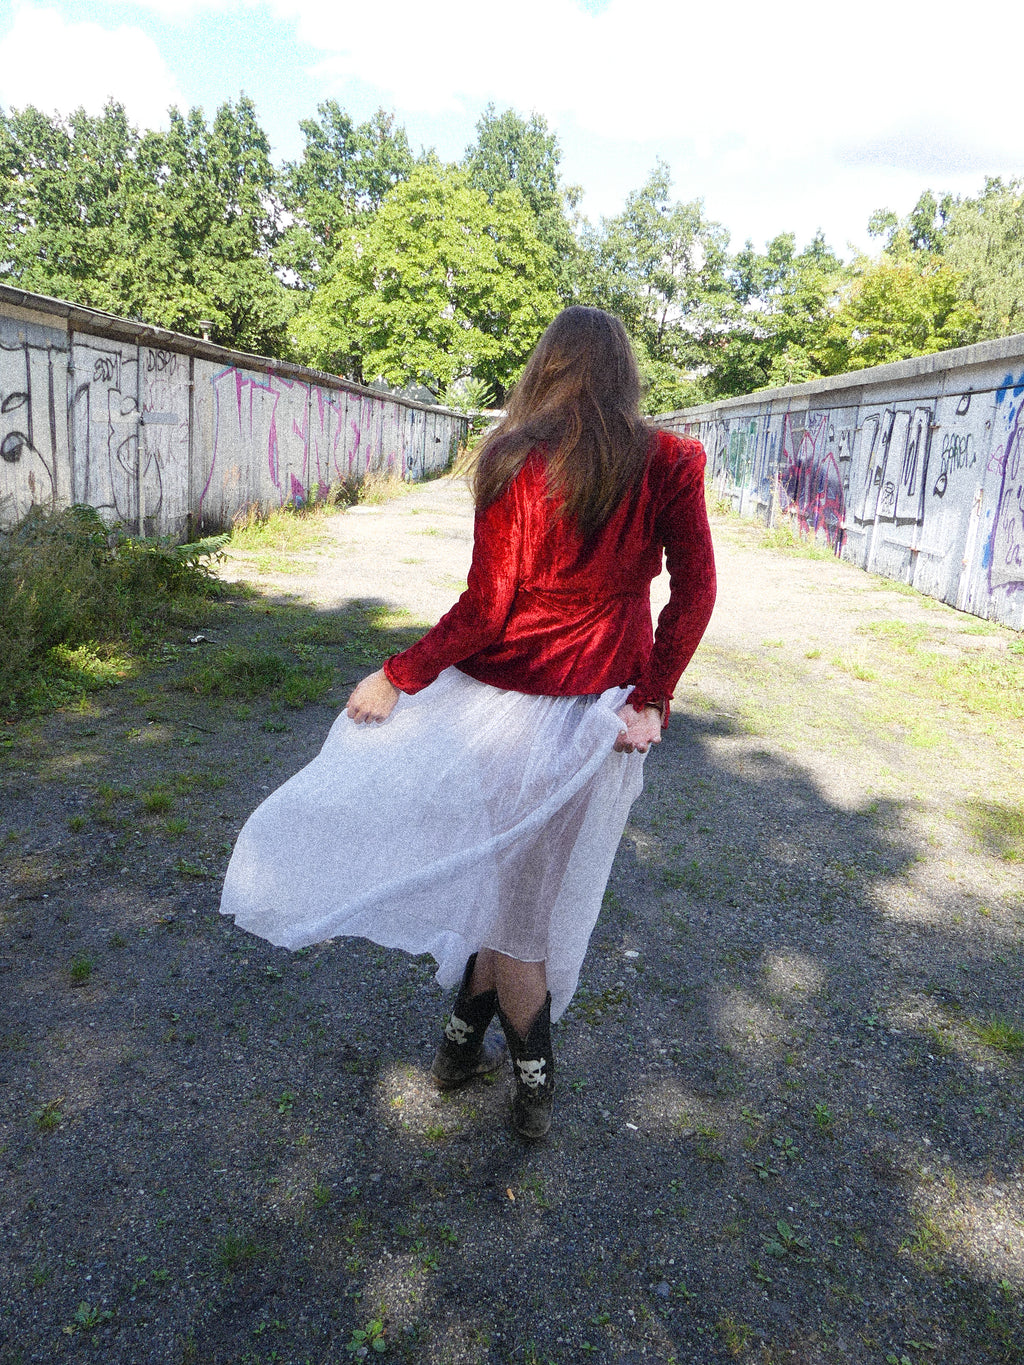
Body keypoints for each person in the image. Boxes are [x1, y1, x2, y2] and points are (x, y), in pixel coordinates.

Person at [220, 306, 716, 1139]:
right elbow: (694, 592)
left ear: (546, 366)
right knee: (519, 895)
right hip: (586, 716)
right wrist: (649, 695)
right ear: (624, 373)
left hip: (519, 712)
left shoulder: (519, 456)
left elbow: (488, 609)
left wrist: (398, 674)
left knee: (518, 893)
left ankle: (476, 1059)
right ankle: (517, 1081)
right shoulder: (664, 459)